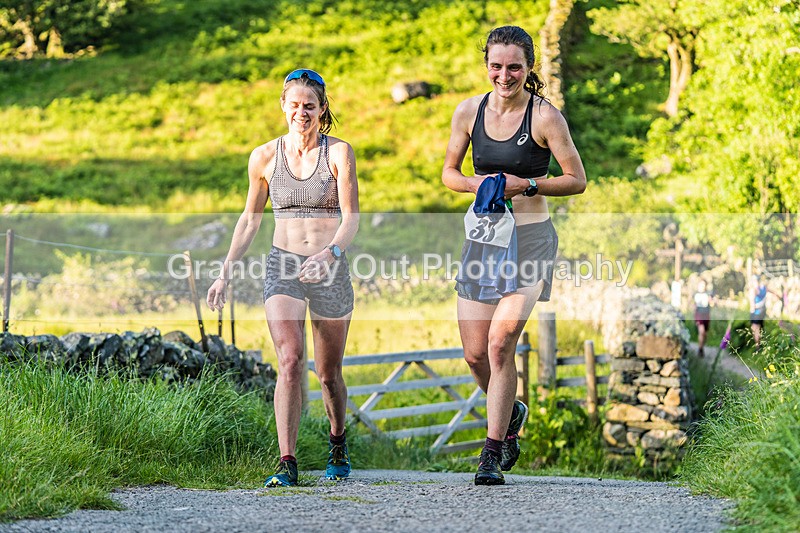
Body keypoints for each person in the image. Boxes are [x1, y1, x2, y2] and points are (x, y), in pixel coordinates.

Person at [441, 26, 586, 486]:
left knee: (501, 343)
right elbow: (449, 172)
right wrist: (482, 184)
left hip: (531, 240)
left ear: (529, 68)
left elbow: (576, 179)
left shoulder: (545, 118)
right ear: (487, 65)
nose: (505, 75)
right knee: (473, 353)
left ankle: (491, 450)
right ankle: (512, 411)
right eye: (497, 66)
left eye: (515, 67)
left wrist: (523, 184)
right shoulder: (468, 111)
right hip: (484, 240)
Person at [207, 68, 359, 487]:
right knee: (290, 360)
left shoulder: (338, 153)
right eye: (294, 105)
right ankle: (286, 461)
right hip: (283, 265)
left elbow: (351, 220)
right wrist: (225, 273)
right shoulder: (264, 157)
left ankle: (337, 441)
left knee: (328, 374)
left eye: (309, 106)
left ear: (322, 108)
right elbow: (249, 220)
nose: (301, 113)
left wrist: (331, 254)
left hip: (329, 267)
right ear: (283, 106)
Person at [749, 274, 779, 348]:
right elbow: (773, 292)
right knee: (758, 328)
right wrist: (778, 296)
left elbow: (752, 304)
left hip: (756, 312)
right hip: (762, 311)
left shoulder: (754, 290)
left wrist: (752, 311)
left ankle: (757, 347)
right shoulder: (764, 288)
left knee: (756, 329)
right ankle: (761, 343)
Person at [693, 279, 712, 357]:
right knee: (702, 331)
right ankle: (700, 349)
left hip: (706, 315)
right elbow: (693, 306)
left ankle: (701, 347)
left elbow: (712, 303)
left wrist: (712, 301)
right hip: (699, 315)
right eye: (701, 285)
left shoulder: (708, 294)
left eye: (703, 285)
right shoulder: (695, 295)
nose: (702, 287)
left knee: (705, 334)